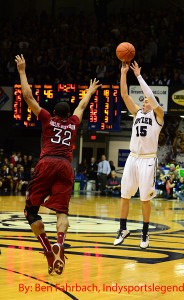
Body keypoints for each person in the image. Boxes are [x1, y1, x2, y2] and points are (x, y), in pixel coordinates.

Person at [15, 54, 101, 275]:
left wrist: (22, 71)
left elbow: (27, 96)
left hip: (47, 163)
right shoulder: (73, 123)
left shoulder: (47, 119)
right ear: (68, 114)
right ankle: (60, 245)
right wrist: (90, 92)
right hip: (65, 165)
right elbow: (82, 106)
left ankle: (47, 251)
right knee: (62, 212)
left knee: (31, 212)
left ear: (54, 113)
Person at [113, 61, 164, 249]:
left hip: (148, 160)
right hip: (132, 158)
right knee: (124, 195)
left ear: (154, 104)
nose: (144, 102)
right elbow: (124, 94)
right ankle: (123, 229)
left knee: (144, 199)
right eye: (143, 100)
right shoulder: (136, 113)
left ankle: (145, 233)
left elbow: (150, 95)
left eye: (147, 101)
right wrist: (124, 73)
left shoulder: (158, 116)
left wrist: (139, 76)